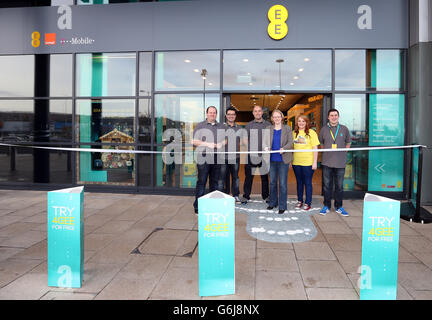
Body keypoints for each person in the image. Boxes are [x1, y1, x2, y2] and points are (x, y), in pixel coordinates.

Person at [318, 108, 351, 217]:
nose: (333, 117)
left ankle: (339, 206)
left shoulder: (344, 129)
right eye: (331, 115)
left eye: (335, 115)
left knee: (339, 186)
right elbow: (321, 144)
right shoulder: (323, 129)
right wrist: (327, 153)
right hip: (327, 162)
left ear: (338, 117)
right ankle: (326, 206)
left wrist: (343, 152)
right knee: (327, 186)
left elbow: (348, 142)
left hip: (340, 163)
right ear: (328, 117)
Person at [192, 106, 225, 214]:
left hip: (216, 158)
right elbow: (194, 141)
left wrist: (222, 143)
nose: (212, 114)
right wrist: (208, 144)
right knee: (201, 182)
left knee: (214, 183)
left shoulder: (221, 126)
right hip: (203, 157)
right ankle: (198, 207)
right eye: (210, 113)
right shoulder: (200, 125)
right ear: (206, 114)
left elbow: (226, 139)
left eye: (214, 113)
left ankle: (212, 206)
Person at [263, 109, 293, 214]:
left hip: (283, 160)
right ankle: (272, 203)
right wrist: (266, 147)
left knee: (283, 184)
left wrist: (284, 148)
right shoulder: (268, 128)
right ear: (272, 118)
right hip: (271, 160)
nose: (276, 118)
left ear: (281, 118)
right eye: (274, 117)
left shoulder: (287, 128)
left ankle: (282, 205)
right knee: (272, 183)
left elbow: (291, 142)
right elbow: (264, 142)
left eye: (278, 116)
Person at [243, 105, 271, 203]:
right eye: (255, 111)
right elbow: (245, 139)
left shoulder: (268, 124)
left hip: (264, 156)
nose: (258, 113)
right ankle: (246, 196)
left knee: (264, 178)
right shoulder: (249, 125)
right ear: (253, 113)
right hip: (252, 155)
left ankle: (266, 196)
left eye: (259, 111)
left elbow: (270, 139)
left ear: (262, 112)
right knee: (249, 177)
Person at [292, 115, 320, 211]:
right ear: (297, 123)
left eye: (303, 121)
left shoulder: (312, 133)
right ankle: (300, 201)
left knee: (307, 183)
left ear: (306, 122)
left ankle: (308, 202)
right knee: (299, 183)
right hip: (296, 162)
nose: (301, 123)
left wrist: (315, 162)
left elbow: (315, 148)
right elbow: (290, 147)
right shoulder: (294, 133)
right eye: (299, 121)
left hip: (308, 162)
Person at [218, 107, 245, 203]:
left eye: (233, 114)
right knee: (222, 178)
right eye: (229, 114)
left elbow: (242, 142)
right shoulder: (221, 127)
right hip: (223, 157)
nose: (231, 116)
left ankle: (236, 195)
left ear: (235, 116)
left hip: (235, 157)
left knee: (235, 177)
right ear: (226, 116)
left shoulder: (239, 128)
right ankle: (222, 196)